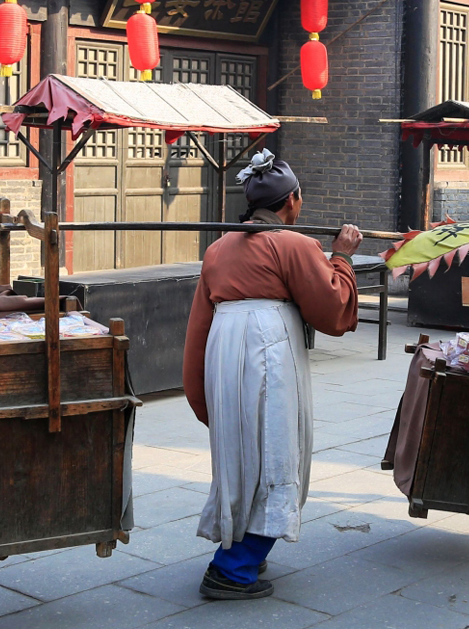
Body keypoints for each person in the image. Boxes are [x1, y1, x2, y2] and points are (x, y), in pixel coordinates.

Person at [183, 150, 361, 600]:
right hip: (267, 350)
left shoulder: (218, 247)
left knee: (246, 453)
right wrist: (340, 258)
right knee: (274, 451)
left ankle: (246, 553)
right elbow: (331, 311)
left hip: (224, 352)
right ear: (293, 200)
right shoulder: (293, 244)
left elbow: (199, 325)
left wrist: (200, 389)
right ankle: (233, 568)